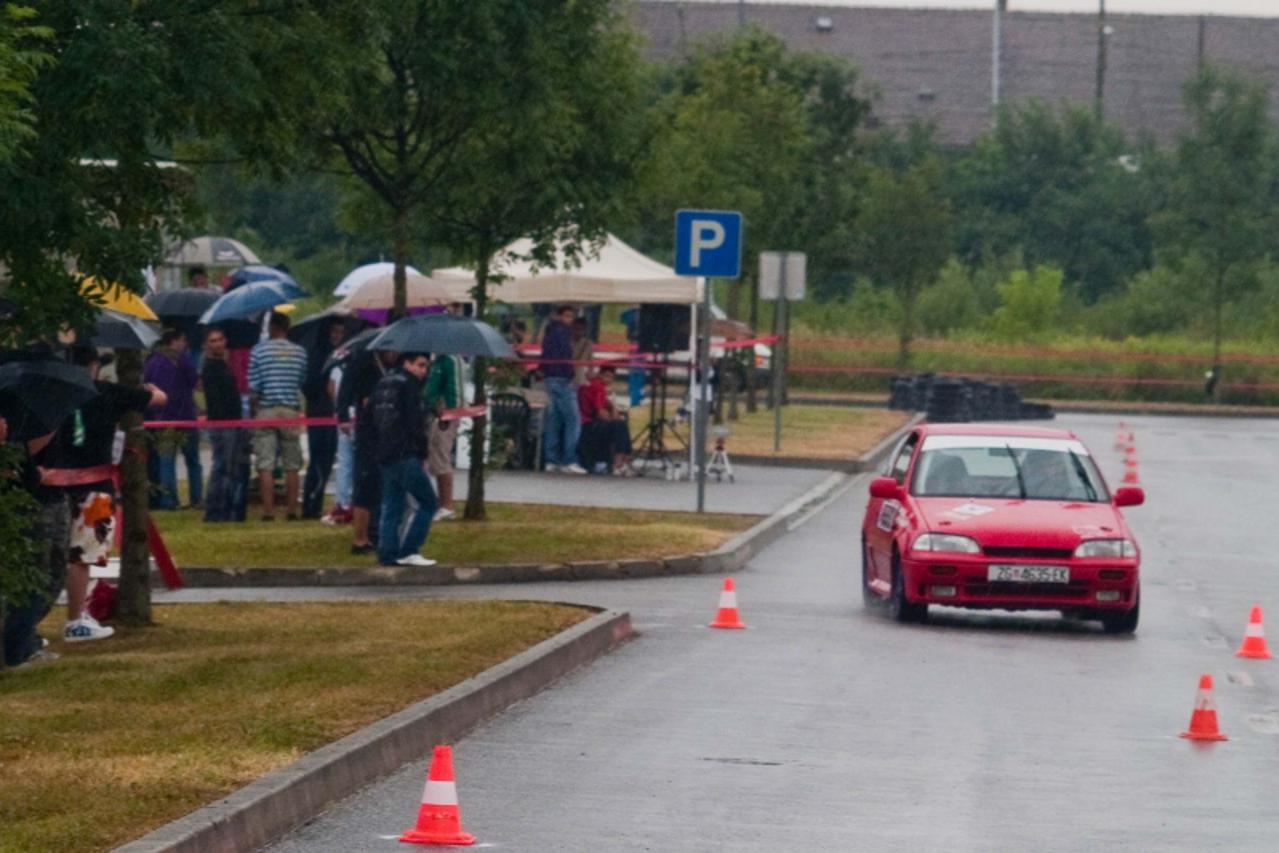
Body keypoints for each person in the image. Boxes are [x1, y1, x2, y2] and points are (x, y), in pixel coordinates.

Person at [56, 347, 166, 641]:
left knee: (55, 553)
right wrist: (149, 388)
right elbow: (157, 400)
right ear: (93, 365)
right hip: (96, 485)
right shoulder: (107, 392)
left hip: (55, 483)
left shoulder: (53, 394)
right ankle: (76, 618)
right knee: (83, 554)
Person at [372, 352, 437, 567]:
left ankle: (387, 553)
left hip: (384, 451)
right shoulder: (410, 386)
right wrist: (422, 451)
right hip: (405, 452)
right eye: (420, 365)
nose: (423, 371)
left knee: (393, 506)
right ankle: (409, 549)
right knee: (428, 502)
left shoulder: (384, 382)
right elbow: (414, 423)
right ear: (407, 363)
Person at [248, 312, 308, 521]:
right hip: (290, 409)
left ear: (272, 328)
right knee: (292, 463)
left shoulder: (258, 351)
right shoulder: (300, 352)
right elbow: (301, 380)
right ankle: (292, 510)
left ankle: (268, 511)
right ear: (287, 327)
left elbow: (253, 387)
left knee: (266, 464)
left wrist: (254, 410)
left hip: (266, 409)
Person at [340, 348, 397, 554]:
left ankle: (375, 531)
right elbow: (346, 389)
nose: (395, 355)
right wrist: (343, 416)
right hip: (368, 432)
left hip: (385, 433)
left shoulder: (392, 370)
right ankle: (360, 538)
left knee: (381, 485)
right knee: (365, 486)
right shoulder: (362, 363)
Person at [144, 328, 202, 509]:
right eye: (182, 340)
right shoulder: (183, 360)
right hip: (185, 417)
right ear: (174, 341)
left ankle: (169, 501)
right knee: (192, 461)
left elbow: (147, 386)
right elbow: (196, 383)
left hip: (162, 419)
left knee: (166, 463)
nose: (184, 345)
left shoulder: (152, 362)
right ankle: (196, 498)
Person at [202, 328, 248, 522]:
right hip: (222, 424)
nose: (218, 344)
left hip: (232, 422)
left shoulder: (223, 364)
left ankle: (226, 509)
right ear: (207, 345)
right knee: (222, 467)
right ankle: (215, 511)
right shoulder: (210, 367)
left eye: (220, 339)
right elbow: (216, 400)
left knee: (230, 467)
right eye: (213, 341)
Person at [301, 319, 345, 519]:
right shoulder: (323, 357)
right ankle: (312, 504)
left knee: (324, 461)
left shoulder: (330, 356)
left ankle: (314, 502)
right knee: (320, 460)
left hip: (322, 411)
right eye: (334, 331)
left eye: (340, 332)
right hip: (321, 411)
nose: (337, 336)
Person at [540, 305, 586, 474]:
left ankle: (551, 460)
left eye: (571, 316)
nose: (570, 320)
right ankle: (569, 459)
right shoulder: (562, 332)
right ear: (558, 316)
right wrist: (570, 373)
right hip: (562, 379)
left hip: (550, 378)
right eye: (567, 316)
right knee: (573, 421)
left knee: (554, 420)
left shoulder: (548, 332)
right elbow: (565, 356)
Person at [423, 350, 464, 521]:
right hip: (431, 411)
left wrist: (451, 413)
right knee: (431, 455)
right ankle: (437, 502)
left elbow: (456, 389)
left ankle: (446, 505)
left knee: (441, 456)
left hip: (444, 413)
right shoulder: (434, 360)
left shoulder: (451, 360)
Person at [577, 366, 634, 476]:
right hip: (588, 425)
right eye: (607, 376)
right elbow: (600, 413)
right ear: (600, 374)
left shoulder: (593, 385)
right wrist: (613, 415)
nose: (609, 380)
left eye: (611, 377)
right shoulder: (598, 387)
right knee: (620, 426)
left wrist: (611, 405)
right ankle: (620, 462)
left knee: (620, 424)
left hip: (588, 424)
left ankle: (624, 460)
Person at [323, 353, 354, 525]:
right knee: (358, 463)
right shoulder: (365, 369)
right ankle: (356, 501)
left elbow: (331, 390)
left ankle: (342, 502)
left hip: (343, 418)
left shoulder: (337, 369)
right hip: (358, 417)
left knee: (344, 463)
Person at [570, 316, 593, 390]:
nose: (579, 332)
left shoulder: (587, 344)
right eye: (576, 329)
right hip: (567, 376)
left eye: (582, 329)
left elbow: (590, 362)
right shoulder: (566, 342)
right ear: (572, 328)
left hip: (580, 378)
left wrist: (590, 374)